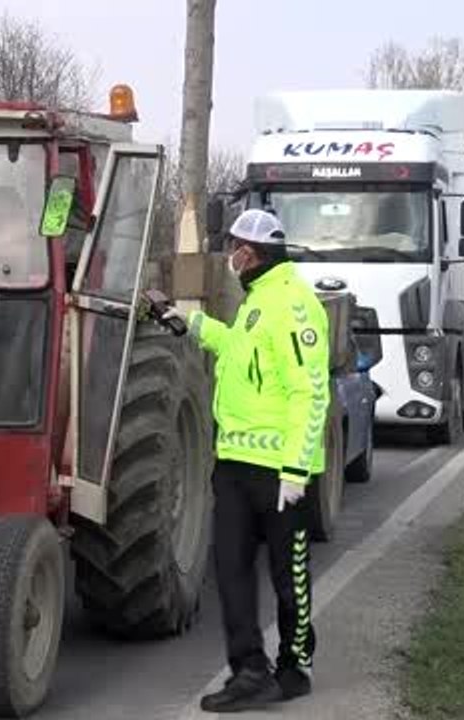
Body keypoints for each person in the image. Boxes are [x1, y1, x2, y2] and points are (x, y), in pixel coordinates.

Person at [163, 209, 331, 713]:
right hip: (235, 463)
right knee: (231, 570)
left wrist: (296, 470)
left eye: (234, 249)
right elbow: (238, 349)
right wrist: (190, 323)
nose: (229, 258)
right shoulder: (255, 302)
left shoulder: (295, 306)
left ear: (251, 253)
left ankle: (294, 668)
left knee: (288, 575)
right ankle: (249, 671)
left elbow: (310, 393)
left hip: (281, 473)